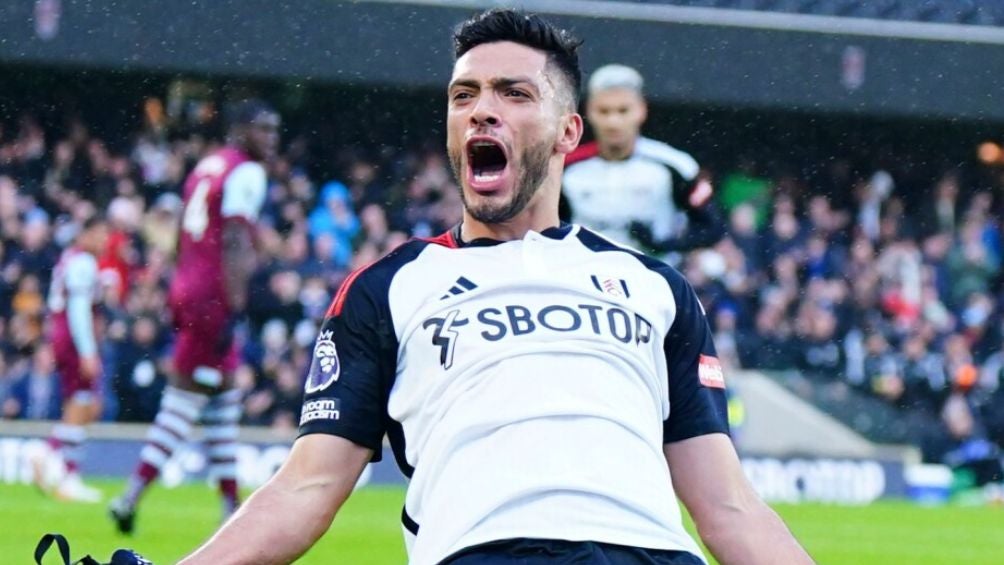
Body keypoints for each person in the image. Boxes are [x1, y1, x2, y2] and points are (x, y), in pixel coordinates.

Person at [178, 10, 812, 565]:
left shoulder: (656, 288)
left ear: (568, 131)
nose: (482, 108)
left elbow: (728, 506)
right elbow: (306, 487)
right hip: (490, 549)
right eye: (464, 95)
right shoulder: (388, 288)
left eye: (513, 93)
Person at [109, 99, 280, 534]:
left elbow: (186, 232)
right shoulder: (247, 171)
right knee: (184, 401)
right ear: (241, 130)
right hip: (213, 296)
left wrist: (179, 289)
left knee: (221, 398)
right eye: (264, 129)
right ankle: (129, 496)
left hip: (189, 287)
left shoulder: (207, 166)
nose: (271, 139)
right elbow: (235, 240)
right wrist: (235, 307)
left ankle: (229, 506)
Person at [562, 63, 724, 258]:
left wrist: (664, 244)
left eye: (623, 111)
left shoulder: (675, 165)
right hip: (582, 279)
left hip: (653, 278)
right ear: (588, 112)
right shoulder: (564, 166)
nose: (613, 122)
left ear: (641, 110)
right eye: (604, 111)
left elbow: (712, 227)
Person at [33, 214, 110, 502]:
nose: (104, 242)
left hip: (61, 336)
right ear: (85, 235)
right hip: (74, 338)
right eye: (100, 235)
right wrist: (88, 352)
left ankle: (66, 474)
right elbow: (78, 310)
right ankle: (53, 456)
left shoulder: (69, 259)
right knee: (83, 402)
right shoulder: (83, 263)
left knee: (79, 405)